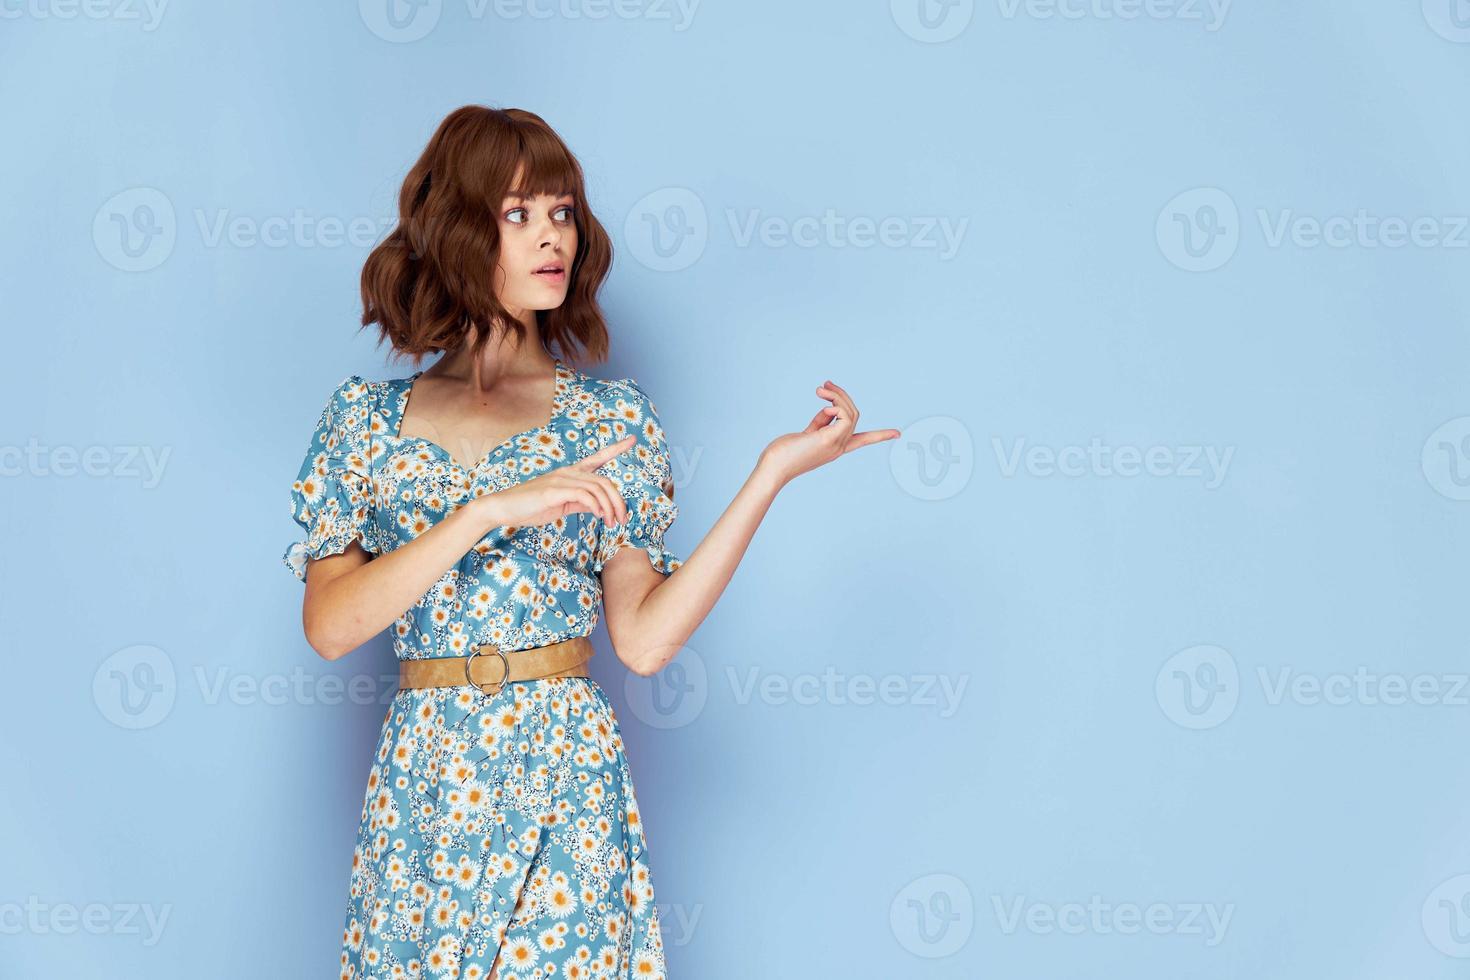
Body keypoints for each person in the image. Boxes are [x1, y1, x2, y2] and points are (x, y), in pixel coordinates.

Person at [283, 104, 898, 980]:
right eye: (518, 213)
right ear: (459, 231)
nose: (551, 238)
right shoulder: (366, 423)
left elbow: (643, 642)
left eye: (563, 211)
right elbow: (331, 626)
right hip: (429, 771)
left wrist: (770, 474)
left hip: (564, 766)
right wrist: (482, 513)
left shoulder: (611, 419)